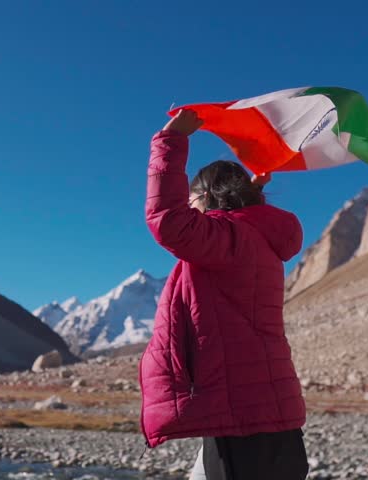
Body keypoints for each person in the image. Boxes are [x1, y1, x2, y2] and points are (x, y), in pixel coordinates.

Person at [139, 110, 309, 479]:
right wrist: (254, 195)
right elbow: (242, 226)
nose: (191, 207)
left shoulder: (227, 238)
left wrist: (171, 140)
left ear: (206, 197)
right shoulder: (257, 240)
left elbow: (168, 221)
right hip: (271, 409)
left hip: (240, 414)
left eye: (193, 199)